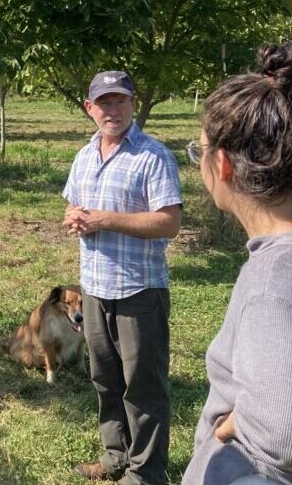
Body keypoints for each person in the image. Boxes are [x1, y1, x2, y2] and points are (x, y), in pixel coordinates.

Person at [62, 70, 182, 484]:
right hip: (94, 289)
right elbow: (75, 208)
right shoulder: (84, 156)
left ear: (133, 103)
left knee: (143, 387)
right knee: (105, 380)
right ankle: (115, 458)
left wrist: (104, 220)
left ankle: (147, 473)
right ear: (89, 108)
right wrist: (75, 219)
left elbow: (168, 223)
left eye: (120, 101)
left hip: (138, 289)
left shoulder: (153, 155)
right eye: (104, 103)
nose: (112, 110)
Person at [182, 42, 292, 485]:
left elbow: (282, 431)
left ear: (222, 164)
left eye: (199, 151)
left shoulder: (270, 283)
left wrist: (233, 424)